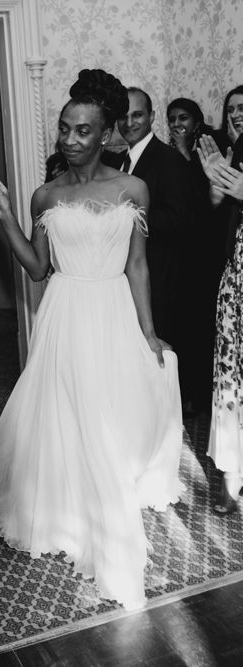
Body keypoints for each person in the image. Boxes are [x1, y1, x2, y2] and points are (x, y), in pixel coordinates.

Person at [0, 69, 184, 610]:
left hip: (114, 309)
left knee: (110, 414)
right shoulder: (44, 195)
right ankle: (73, 512)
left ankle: (106, 502)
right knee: (69, 413)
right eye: (65, 129)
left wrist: (148, 331)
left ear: (106, 134)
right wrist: (5, 219)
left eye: (83, 130)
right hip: (66, 312)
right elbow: (37, 268)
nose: (71, 140)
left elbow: (137, 266)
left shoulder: (132, 188)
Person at [112, 86, 194, 350]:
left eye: (137, 115)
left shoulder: (168, 160)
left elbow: (179, 220)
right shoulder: (119, 162)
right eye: (123, 116)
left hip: (161, 281)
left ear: (151, 116)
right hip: (129, 279)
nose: (129, 123)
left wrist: (127, 215)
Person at [196, 85, 243, 515]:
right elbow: (219, 213)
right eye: (231, 109)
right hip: (236, 280)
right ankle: (231, 477)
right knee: (230, 380)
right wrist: (217, 182)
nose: (236, 115)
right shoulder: (237, 152)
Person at [166, 98, 227, 416]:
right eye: (172, 119)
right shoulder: (171, 152)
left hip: (209, 250)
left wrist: (184, 153)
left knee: (205, 325)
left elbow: (200, 199)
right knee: (185, 324)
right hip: (184, 253)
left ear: (197, 120)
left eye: (184, 118)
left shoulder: (210, 145)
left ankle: (204, 396)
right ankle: (187, 393)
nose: (178, 124)